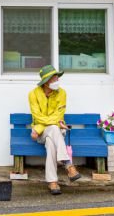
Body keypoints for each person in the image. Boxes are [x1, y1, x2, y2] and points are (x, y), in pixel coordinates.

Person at [28, 64, 81, 195]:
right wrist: (40, 128)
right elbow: (37, 116)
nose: (57, 80)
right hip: (43, 132)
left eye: (57, 77)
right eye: (53, 78)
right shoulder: (33, 94)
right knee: (53, 129)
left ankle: (53, 182)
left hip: (55, 131)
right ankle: (68, 164)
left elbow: (59, 115)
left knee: (51, 143)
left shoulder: (62, 93)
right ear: (45, 82)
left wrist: (41, 126)